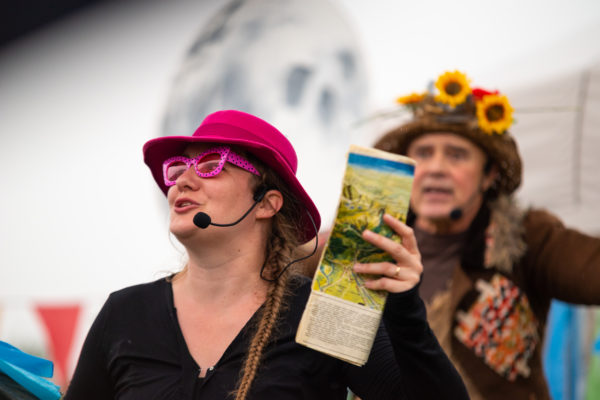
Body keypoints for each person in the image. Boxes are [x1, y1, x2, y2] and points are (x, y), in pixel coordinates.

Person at [63, 110, 468, 399]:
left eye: (211, 164)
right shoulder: (124, 313)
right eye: (178, 168)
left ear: (267, 203)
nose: (182, 180)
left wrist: (404, 310)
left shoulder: (322, 311)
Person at [369, 70, 600, 399]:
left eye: (456, 155)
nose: (436, 168)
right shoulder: (371, 241)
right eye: (423, 153)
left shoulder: (526, 238)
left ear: (489, 174)